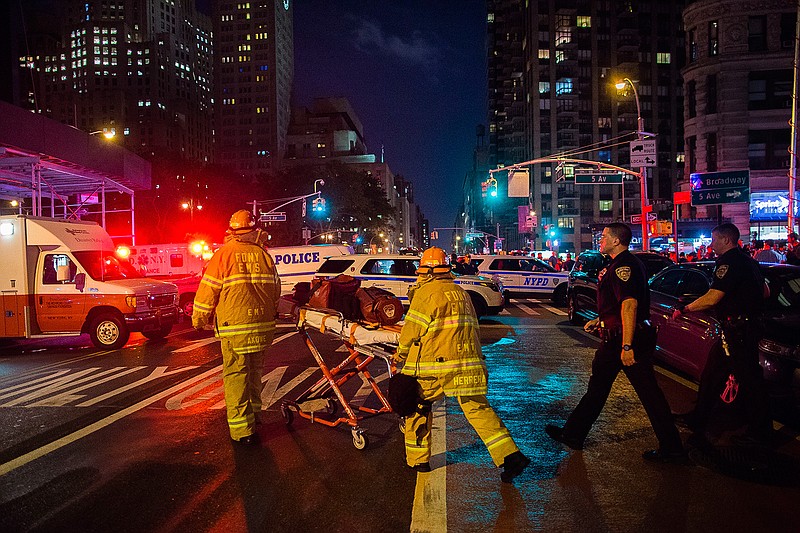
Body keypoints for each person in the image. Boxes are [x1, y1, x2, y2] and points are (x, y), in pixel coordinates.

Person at [545, 223, 685, 463]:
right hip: (617, 336)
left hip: (624, 339)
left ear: (617, 241)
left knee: (648, 394)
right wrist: (602, 319)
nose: (601, 240)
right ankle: (573, 434)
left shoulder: (625, 267)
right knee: (599, 389)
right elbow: (617, 303)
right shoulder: (620, 264)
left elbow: (630, 304)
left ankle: (673, 449)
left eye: (605, 236)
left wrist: (627, 346)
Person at [393, 246, 530, 482]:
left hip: (435, 368)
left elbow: (411, 332)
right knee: (479, 411)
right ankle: (511, 457)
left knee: (419, 407)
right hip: (469, 365)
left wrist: (400, 355)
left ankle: (419, 461)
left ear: (425, 271)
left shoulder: (426, 295)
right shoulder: (461, 293)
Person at [671, 223, 772, 447]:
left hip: (739, 331)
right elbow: (766, 291)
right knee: (712, 375)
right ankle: (698, 418)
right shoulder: (749, 261)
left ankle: (760, 433)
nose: (711, 244)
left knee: (750, 381)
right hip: (742, 328)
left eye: (714, 239)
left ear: (726, 240)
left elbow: (712, 297)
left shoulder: (728, 262)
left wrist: (685, 310)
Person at [193, 209, 282, 446]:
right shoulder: (264, 256)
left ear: (232, 231)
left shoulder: (223, 255)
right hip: (262, 328)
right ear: (254, 231)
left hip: (235, 329)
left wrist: (198, 319)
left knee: (236, 376)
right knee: (254, 374)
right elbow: (276, 291)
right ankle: (255, 417)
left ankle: (242, 430)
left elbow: (207, 291)